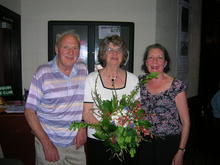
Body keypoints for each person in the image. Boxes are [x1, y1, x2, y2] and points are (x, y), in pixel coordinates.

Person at [24, 30, 88, 165]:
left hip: (75, 144)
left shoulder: (83, 69)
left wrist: (83, 127)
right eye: (66, 47)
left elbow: (85, 103)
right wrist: (46, 144)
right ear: (57, 49)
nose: (71, 52)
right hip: (49, 142)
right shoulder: (43, 72)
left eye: (75, 48)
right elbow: (29, 111)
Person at [83, 35, 139, 165]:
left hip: (126, 138)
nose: (114, 53)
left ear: (123, 55)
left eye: (118, 50)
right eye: (110, 49)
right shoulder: (92, 79)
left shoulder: (133, 79)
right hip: (99, 140)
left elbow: (136, 110)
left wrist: (122, 132)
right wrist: (108, 133)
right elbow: (87, 113)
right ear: (103, 54)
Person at [137, 43, 190, 165]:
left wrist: (181, 151)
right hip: (145, 142)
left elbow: (186, 122)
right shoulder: (139, 82)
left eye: (159, 57)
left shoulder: (176, 86)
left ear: (165, 63)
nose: (155, 61)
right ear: (146, 62)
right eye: (150, 57)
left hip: (169, 143)